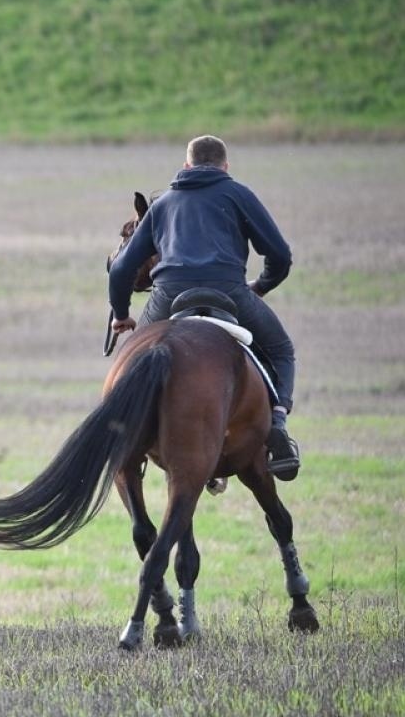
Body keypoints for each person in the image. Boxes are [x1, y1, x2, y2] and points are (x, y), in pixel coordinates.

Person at [108, 135, 300, 479]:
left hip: (168, 295)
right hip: (229, 291)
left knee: (133, 359)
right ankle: (278, 425)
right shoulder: (239, 195)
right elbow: (280, 256)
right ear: (225, 166)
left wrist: (121, 314)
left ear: (186, 165)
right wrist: (261, 286)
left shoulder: (164, 204)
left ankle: (122, 435)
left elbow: (121, 269)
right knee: (281, 350)